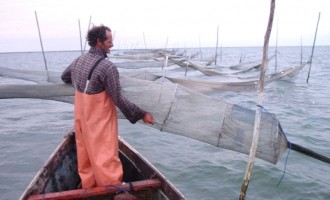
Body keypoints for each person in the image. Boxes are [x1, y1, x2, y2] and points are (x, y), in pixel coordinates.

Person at [61, 24, 155, 188]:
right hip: (99, 123)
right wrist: (142, 114)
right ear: (99, 41)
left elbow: (64, 77)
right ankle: (112, 191)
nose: (112, 44)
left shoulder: (79, 60)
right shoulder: (107, 67)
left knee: (86, 154)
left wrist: (79, 82)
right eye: (109, 41)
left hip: (82, 120)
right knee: (105, 155)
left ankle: (89, 188)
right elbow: (118, 99)